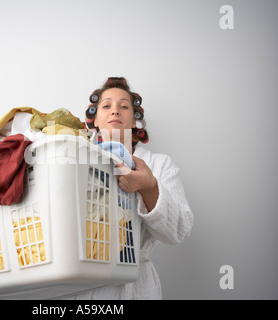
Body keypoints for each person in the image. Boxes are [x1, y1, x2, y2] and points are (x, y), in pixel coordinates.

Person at [68, 77, 194, 299]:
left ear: (135, 121)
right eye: (106, 106)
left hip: (135, 286)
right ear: (94, 120)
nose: (115, 111)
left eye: (124, 106)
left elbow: (179, 231)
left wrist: (148, 186)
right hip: (80, 281)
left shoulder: (159, 165)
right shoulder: (72, 157)